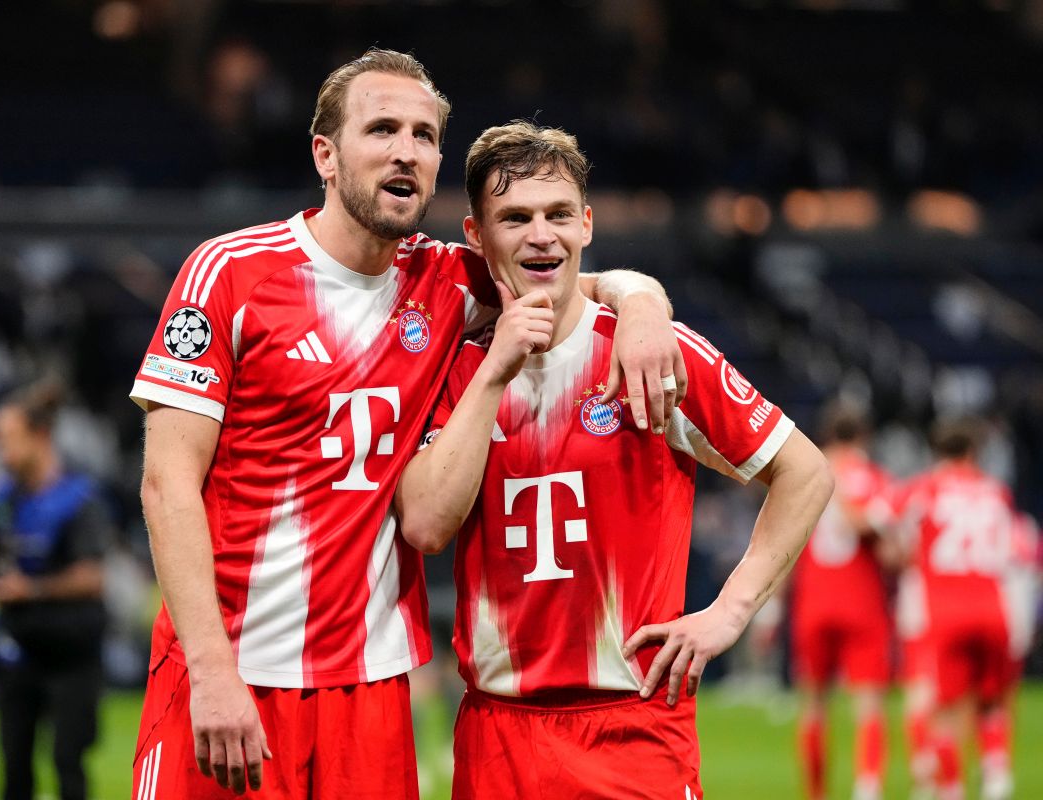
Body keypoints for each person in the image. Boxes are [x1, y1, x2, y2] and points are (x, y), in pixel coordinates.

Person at [128, 49, 685, 800]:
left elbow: (576, 280)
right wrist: (211, 671)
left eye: (424, 136)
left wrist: (645, 307)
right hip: (236, 671)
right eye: (382, 128)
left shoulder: (448, 281)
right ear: (325, 153)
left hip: (373, 689)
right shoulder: (230, 274)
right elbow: (167, 486)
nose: (406, 150)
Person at [395, 121, 833, 799]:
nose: (542, 234)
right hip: (497, 737)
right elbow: (423, 525)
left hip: (632, 732)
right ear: (476, 237)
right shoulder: (453, 366)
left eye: (558, 214)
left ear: (587, 225)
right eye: (515, 217)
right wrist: (495, 373)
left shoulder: (655, 353)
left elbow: (805, 472)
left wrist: (730, 611)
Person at [0, 381, 111, 800]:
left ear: (40, 436)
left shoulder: (78, 499)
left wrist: (30, 589)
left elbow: (93, 576)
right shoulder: (1, 499)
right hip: (19, 647)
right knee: (14, 767)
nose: (2, 452)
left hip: (72, 650)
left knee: (68, 763)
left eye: (8, 439)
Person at [894, 418, 1026, 800]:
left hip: (946, 610)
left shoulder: (924, 488)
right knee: (992, 699)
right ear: (974, 452)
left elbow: (890, 528)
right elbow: (1012, 549)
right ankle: (996, 769)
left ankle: (949, 789)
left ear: (937, 453)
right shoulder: (996, 491)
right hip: (993, 605)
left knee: (944, 712)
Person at [788, 403, 896, 800]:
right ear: (863, 437)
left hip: (813, 600)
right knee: (868, 705)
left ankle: (815, 794)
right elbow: (889, 553)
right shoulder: (874, 479)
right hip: (862, 601)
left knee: (814, 705)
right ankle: (867, 788)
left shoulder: (803, 471)